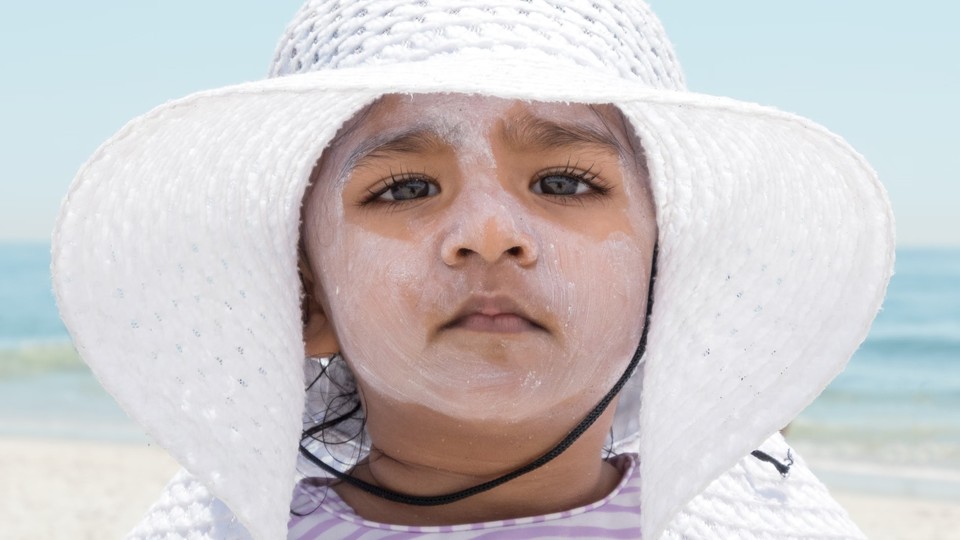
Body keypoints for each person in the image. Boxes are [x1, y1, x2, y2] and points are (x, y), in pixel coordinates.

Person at [51, 1, 894, 538]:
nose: (489, 233)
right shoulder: (225, 530)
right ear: (302, 299)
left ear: (668, 281)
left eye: (565, 182)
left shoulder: (767, 521)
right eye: (405, 187)